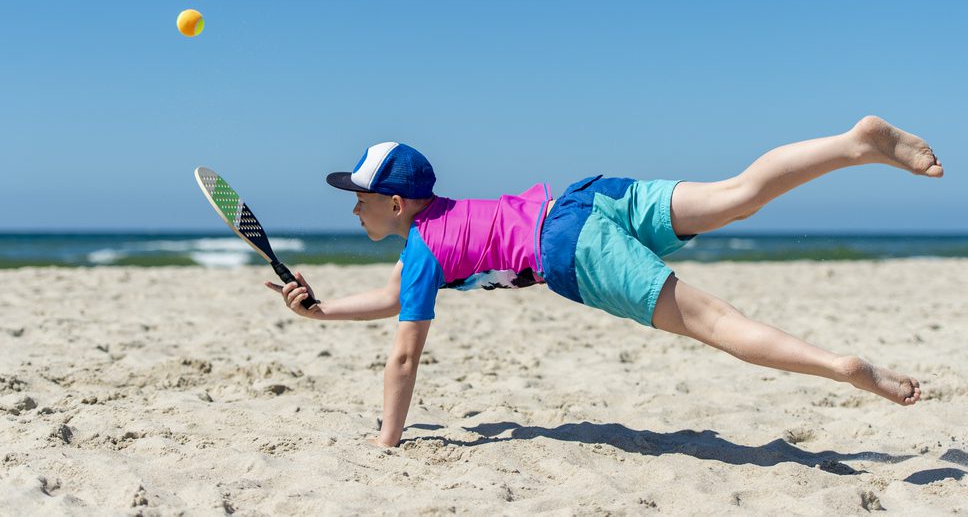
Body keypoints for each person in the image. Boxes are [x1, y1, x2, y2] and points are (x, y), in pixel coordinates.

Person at [264, 116, 943, 448]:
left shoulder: (423, 250)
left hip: (570, 247)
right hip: (586, 196)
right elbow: (389, 299)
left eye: (359, 195)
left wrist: (389, 440)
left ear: (395, 204)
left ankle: (842, 366)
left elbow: (405, 352)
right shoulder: (441, 226)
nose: (352, 206)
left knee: (715, 323)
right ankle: (855, 144)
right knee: (738, 193)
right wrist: (317, 312)